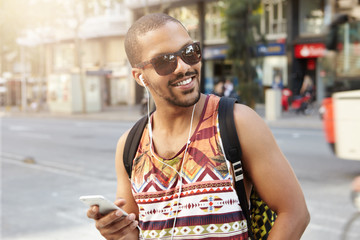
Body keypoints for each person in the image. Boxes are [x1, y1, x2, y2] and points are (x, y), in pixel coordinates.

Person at [87, 13, 310, 239]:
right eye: (164, 61)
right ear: (139, 77)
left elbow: (294, 212)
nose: (183, 67)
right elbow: (135, 233)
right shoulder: (130, 146)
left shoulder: (238, 122)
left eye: (189, 52)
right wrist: (119, 233)